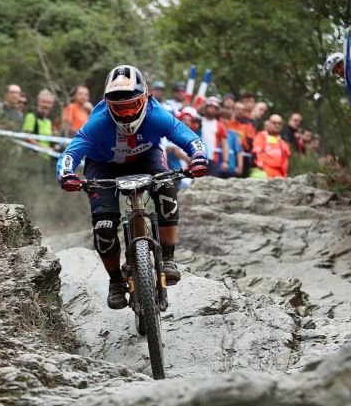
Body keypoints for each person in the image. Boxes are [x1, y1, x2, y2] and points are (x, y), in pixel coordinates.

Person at [56, 64, 208, 308]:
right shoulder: (98, 121)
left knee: (167, 188)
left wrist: (198, 157)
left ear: (145, 98)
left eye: (132, 106)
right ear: (108, 104)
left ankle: (168, 259)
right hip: (102, 165)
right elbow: (71, 153)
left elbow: (188, 137)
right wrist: (65, 174)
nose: (126, 114)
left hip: (145, 157)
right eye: (119, 108)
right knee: (104, 226)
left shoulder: (156, 114)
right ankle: (115, 281)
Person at [199, 97, 228, 176]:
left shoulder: (220, 125)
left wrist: (225, 161)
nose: (212, 110)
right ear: (206, 107)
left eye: (215, 108)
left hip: (213, 159)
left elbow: (225, 145)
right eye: (210, 107)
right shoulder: (198, 122)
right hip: (197, 157)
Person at [227, 100, 256, 175]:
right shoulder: (227, 123)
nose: (240, 111)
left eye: (242, 110)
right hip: (228, 156)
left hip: (243, 158)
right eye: (237, 109)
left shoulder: (248, 126)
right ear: (233, 110)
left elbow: (249, 144)